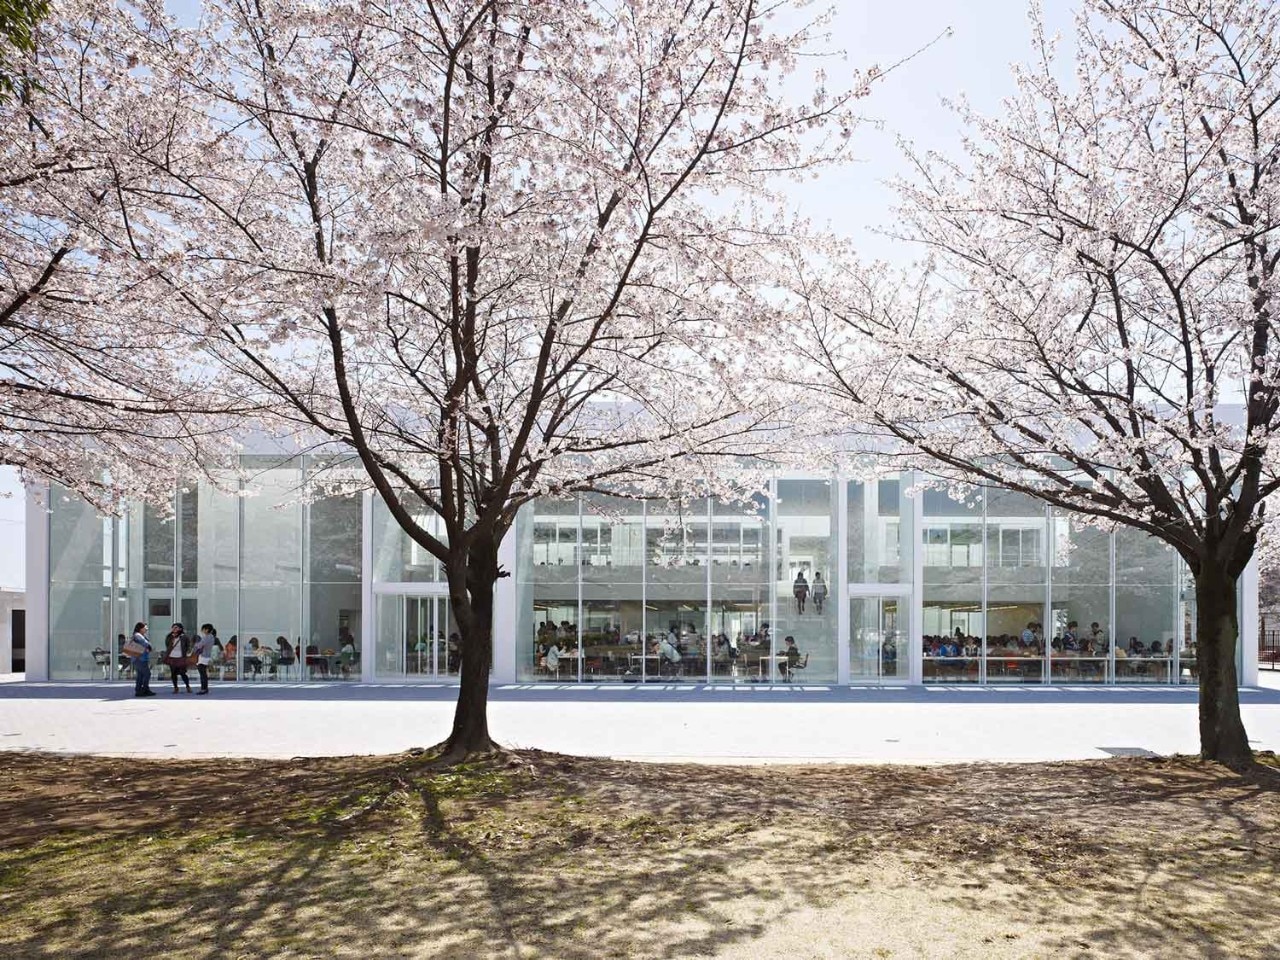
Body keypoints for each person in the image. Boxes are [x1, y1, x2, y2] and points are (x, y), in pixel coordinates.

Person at [164, 623, 193, 694]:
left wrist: (187, 653)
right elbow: (167, 645)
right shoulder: (169, 636)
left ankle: (187, 686)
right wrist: (172, 640)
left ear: (180, 628)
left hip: (181, 657)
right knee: (173, 673)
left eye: (176, 627)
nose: (174, 629)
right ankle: (175, 687)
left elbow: (189, 646)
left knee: (183, 673)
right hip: (172, 657)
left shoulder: (184, 637)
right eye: (173, 627)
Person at [129, 621, 154, 697]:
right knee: (147, 674)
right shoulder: (138, 635)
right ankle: (144, 689)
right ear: (140, 628)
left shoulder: (139, 635)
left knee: (140, 675)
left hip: (139, 658)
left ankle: (139, 690)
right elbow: (145, 643)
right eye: (145, 627)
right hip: (140, 658)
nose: (147, 629)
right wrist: (149, 646)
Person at [193, 623, 218, 694]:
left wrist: (195, 645)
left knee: (202, 673)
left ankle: (203, 689)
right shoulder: (212, 637)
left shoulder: (206, 637)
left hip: (203, 656)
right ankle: (205, 688)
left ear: (207, 630)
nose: (202, 630)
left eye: (203, 629)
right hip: (207, 656)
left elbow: (199, 645)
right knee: (203, 673)